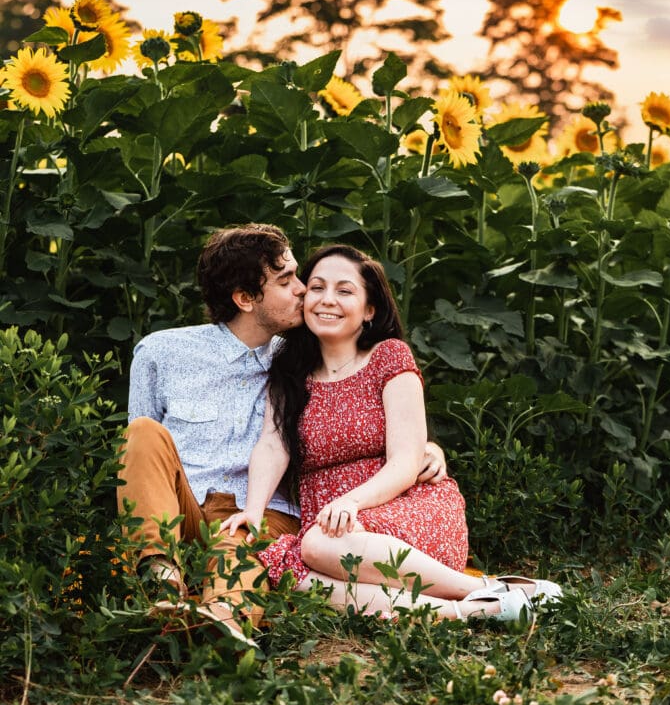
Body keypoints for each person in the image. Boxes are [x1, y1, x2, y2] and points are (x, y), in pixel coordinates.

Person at [120, 224, 447, 646]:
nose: (302, 291)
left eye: (298, 276)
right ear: (244, 298)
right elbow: (137, 464)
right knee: (142, 433)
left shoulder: (303, 353)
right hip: (179, 508)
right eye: (286, 280)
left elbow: (362, 393)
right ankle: (162, 579)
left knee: (239, 548)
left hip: (262, 514)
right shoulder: (161, 352)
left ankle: (222, 625)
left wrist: (426, 447)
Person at [222, 245, 561, 623]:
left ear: (370, 310)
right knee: (292, 573)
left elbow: (405, 462)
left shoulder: (388, 357)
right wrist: (252, 511)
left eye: (344, 291)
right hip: (335, 526)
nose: (326, 300)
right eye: (316, 288)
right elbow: (273, 444)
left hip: (403, 504)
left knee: (316, 545)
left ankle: (485, 587)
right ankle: (473, 610)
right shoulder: (290, 371)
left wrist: (351, 502)